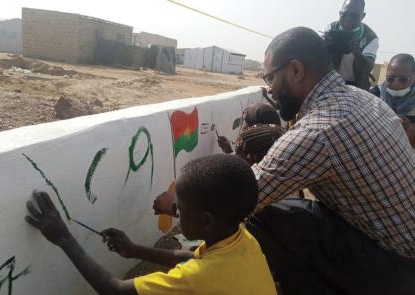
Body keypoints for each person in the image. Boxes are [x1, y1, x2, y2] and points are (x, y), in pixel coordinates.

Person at [155, 27, 415, 295]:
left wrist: (176, 206)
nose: (270, 89)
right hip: (397, 245)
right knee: (284, 207)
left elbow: (243, 199)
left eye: (270, 77)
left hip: (395, 269)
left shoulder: (320, 131)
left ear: (295, 70)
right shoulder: (365, 99)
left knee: (256, 212)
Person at [25, 154, 277, 295]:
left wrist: (64, 239)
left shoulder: (197, 280)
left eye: (181, 207)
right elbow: (189, 258)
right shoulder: (243, 240)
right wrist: (135, 250)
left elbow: (115, 291)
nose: (175, 209)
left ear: (206, 221)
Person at [323, 0, 378, 90]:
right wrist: (324, 46)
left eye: (354, 16)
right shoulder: (331, 28)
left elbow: (367, 67)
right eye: (345, 14)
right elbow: (318, 57)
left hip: (357, 86)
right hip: (332, 82)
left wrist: (356, 52)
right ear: (340, 13)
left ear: (363, 16)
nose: (348, 19)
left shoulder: (370, 37)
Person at [371, 54, 415, 148]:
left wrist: (410, 130)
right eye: (390, 78)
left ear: (413, 77)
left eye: (403, 79)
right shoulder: (374, 95)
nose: (396, 84)